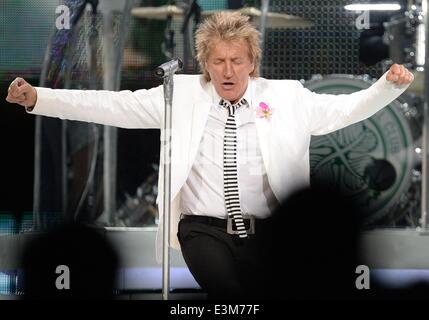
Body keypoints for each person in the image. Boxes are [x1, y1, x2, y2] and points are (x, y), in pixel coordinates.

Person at [6, 12, 413, 299]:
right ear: (206, 64)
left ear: (252, 63)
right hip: (202, 231)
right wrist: (39, 97)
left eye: (237, 60)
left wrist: (387, 88)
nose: (228, 71)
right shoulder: (179, 95)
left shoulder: (286, 96)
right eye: (218, 61)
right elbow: (112, 105)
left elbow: (343, 110)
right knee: (227, 296)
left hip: (271, 232)